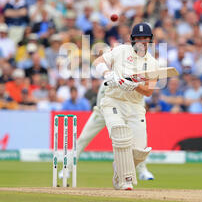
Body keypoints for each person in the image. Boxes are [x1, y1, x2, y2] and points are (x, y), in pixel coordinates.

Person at [92, 22, 159, 190]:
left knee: (140, 152)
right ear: (132, 40)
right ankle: (125, 181)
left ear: (150, 40)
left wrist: (134, 85)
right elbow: (98, 62)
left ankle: (119, 170)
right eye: (138, 39)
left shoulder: (152, 63)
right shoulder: (121, 50)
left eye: (145, 39)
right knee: (120, 135)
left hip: (135, 106)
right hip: (113, 101)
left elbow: (149, 91)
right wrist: (108, 74)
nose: (142, 42)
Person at [59, 81, 155, 181]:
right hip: (102, 112)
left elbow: (143, 97)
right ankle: (66, 169)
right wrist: (101, 110)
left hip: (126, 112)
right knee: (83, 139)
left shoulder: (139, 79)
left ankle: (142, 171)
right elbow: (102, 92)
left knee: (139, 140)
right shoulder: (111, 77)